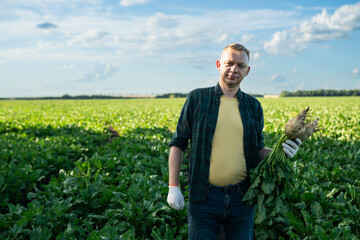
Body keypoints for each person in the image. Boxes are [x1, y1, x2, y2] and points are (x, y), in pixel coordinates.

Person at [166, 43, 302, 240]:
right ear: (219, 64)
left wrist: (280, 151)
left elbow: (256, 150)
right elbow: (178, 143)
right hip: (203, 197)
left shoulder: (253, 106)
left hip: (242, 197)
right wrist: (173, 186)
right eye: (229, 63)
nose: (234, 70)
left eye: (240, 66)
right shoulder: (197, 99)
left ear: (247, 71)